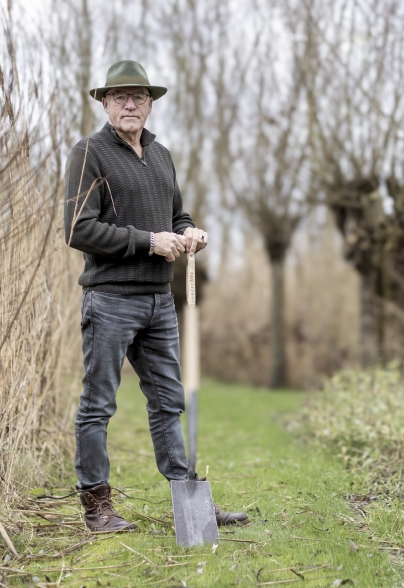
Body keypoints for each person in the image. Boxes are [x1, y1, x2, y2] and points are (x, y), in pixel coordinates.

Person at [64, 60, 247, 532]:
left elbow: (177, 214)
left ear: (150, 105)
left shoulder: (160, 154)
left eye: (139, 97)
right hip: (109, 301)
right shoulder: (89, 153)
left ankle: (190, 503)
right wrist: (148, 241)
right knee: (99, 402)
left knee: (169, 400)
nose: (130, 104)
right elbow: (79, 229)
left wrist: (190, 233)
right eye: (120, 96)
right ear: (104, 102)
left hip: (159, 301)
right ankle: (97, 507)